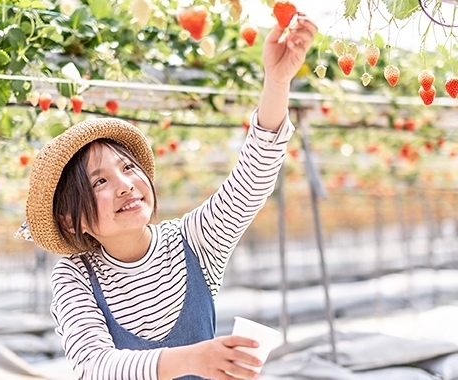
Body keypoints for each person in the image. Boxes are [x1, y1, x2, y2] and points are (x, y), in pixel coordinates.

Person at [16, 13, 318, 380]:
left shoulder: (193, 241)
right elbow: (94, 366)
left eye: (127, 168)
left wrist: (277, 80)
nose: (125, 184)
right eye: (99, 183)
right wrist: (191, 360)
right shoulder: (76, 275)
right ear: (71, 220)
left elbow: (252, 179)